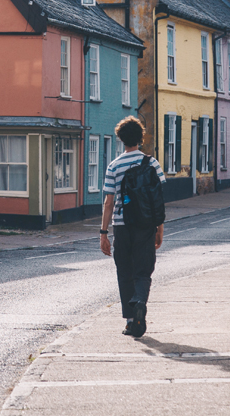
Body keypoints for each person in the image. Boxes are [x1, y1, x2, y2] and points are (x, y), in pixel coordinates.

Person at [99, 115, 165, 337]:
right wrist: (160, 228)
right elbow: (158, 199)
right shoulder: (152, 163)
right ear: (140, 138)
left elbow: (109, 202)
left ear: (120, 139)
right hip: (146, 225)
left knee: (124, 272)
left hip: (122, 225)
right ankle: (140, 302)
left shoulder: (114, 166)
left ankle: (130, 321)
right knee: (143, 271)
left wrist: (103, 233)